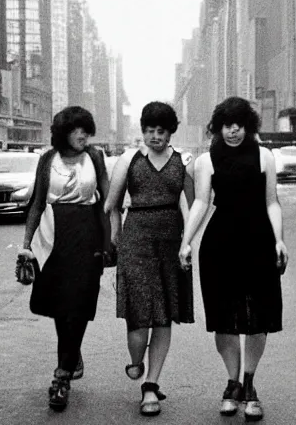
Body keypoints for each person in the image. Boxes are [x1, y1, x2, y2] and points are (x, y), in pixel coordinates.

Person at [178, 96, 288, 422]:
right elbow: (200, 203)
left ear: (248, 127)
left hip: (259, 242)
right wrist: (186, 242)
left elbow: (272, 203)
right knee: (223, 318)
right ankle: (232, 383)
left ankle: (250, 384)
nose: (233, 131)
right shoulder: (206, 161)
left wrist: (279, 240)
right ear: (218, 127)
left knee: (258, 316)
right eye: (227, 125)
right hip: (219, 245)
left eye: (239, 124)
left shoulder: (264, 157)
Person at [18, 106, 111, 412]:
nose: (82, 135)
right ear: (63, 133)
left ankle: (62, 377)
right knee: (61, 304)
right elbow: (36, 203)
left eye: (86, 129)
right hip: (52, 237)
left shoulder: (95, 157)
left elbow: (107, 201)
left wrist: (112, 240)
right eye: (75, 130)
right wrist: (26, 245)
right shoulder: (48, 159)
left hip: (87, 235)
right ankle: (71, 354)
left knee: (81, 303)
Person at [104, 101, 194, 417]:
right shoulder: (129, 160)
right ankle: (136, 360)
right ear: (142, 131)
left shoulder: (183, 161)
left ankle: (151, 385)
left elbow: (190, 206)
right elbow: (112, 204)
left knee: (164, 314)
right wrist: (116, 236)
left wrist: (188, 243)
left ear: (170, 133)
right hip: (136, 240)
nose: (155, 137)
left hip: (171, 241)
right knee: (138, 316)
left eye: (161, 131)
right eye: (150, 131)